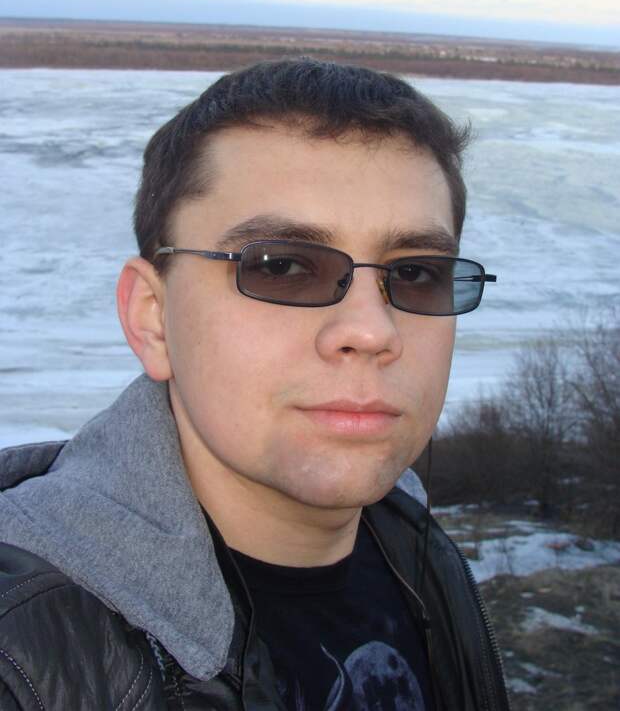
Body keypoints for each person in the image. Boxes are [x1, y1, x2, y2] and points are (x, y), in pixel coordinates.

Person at [0, 59, 509, 710]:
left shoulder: (419, 550)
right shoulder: (24, 655)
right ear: (153, 318)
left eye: (415, 274)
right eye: (283, 266)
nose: (371, 330)